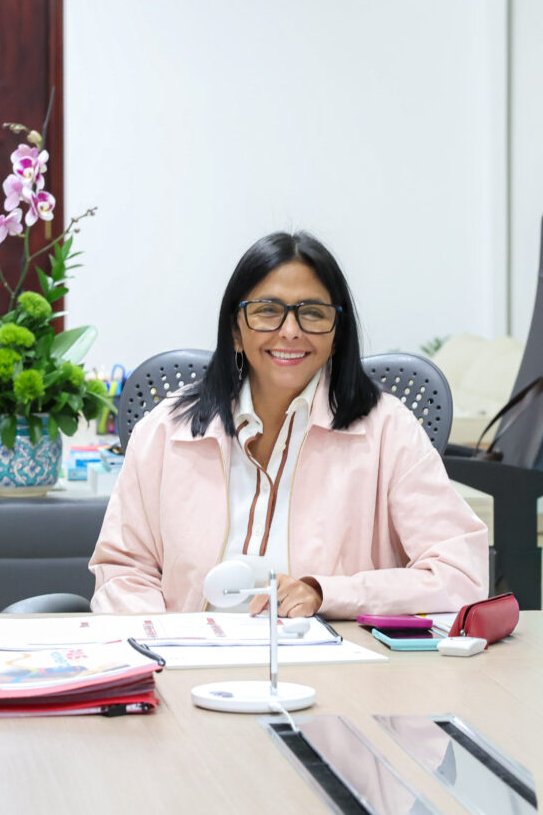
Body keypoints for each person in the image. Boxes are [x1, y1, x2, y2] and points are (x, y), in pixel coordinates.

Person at [90, 231, 488, 619]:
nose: (291, 331)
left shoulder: (388, 430)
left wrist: (327, 593)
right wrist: (165, 641)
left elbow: (459, 573)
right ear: (235, 330)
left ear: (337, 334)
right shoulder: (165, 431)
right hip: (186, 655)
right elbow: (123, 573)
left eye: (312, 312)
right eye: (267, 310)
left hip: (334, 656)